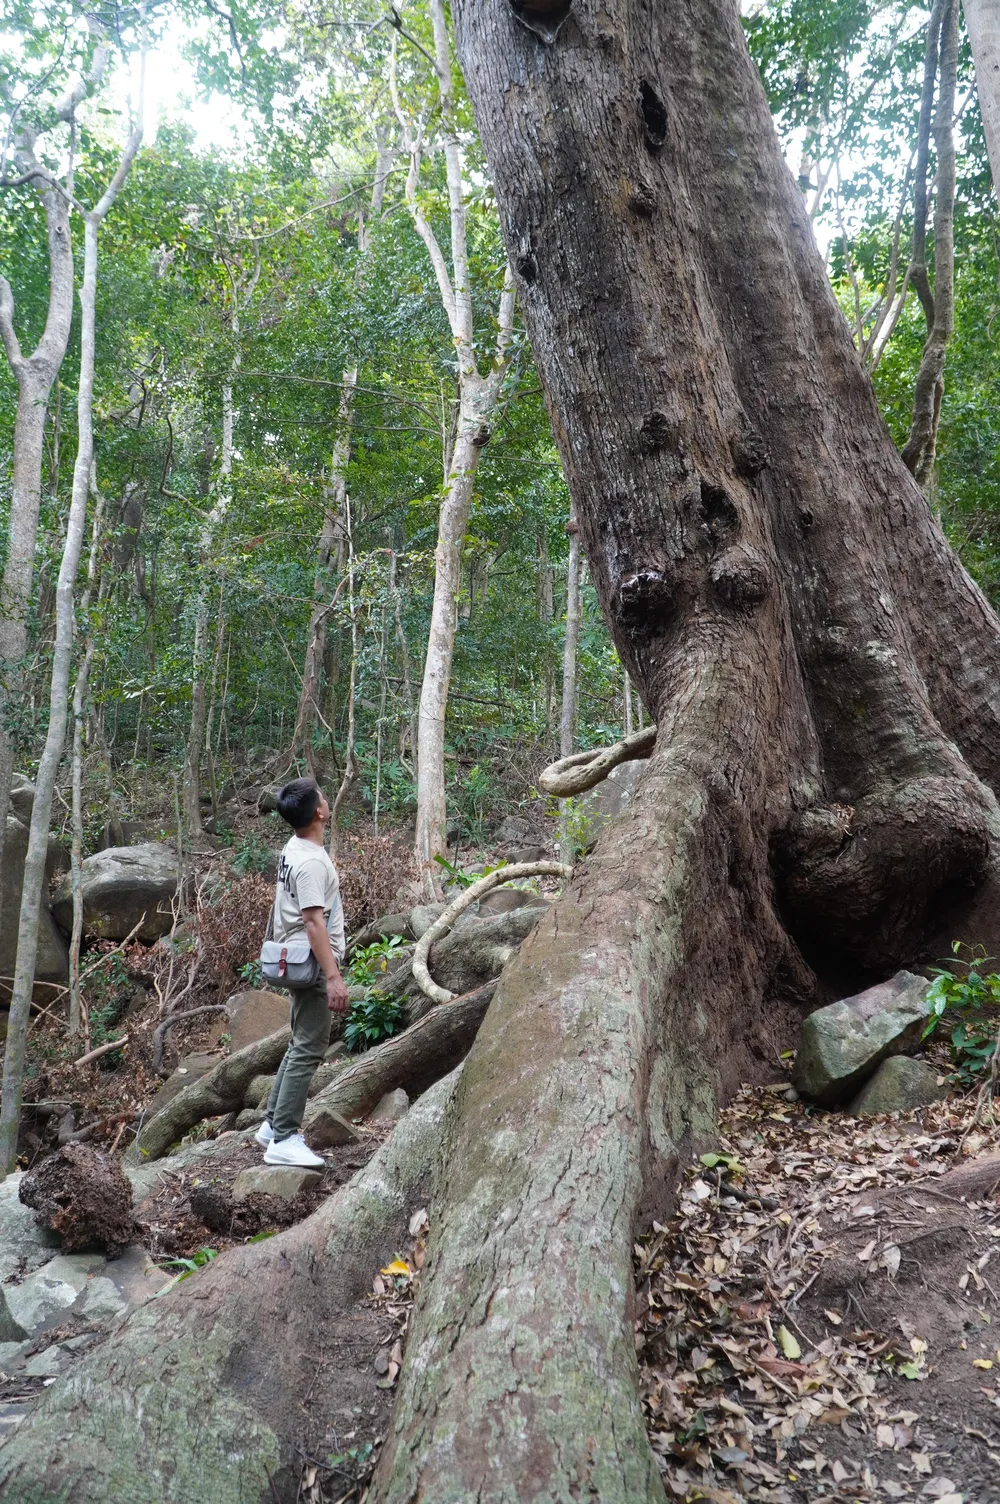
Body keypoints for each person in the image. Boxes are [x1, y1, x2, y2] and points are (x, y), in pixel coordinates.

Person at [256, 777, 349, 1167]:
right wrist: (332, 976)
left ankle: (270, 1126)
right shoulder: (311, 861)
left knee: (299, 1042)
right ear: (319, 812)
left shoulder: (295, 847)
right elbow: (314, 922)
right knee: (310, 1046)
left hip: (295, 956)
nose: (327, 801)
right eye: (324, 798)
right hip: (311, 961)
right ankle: (284, 1137)